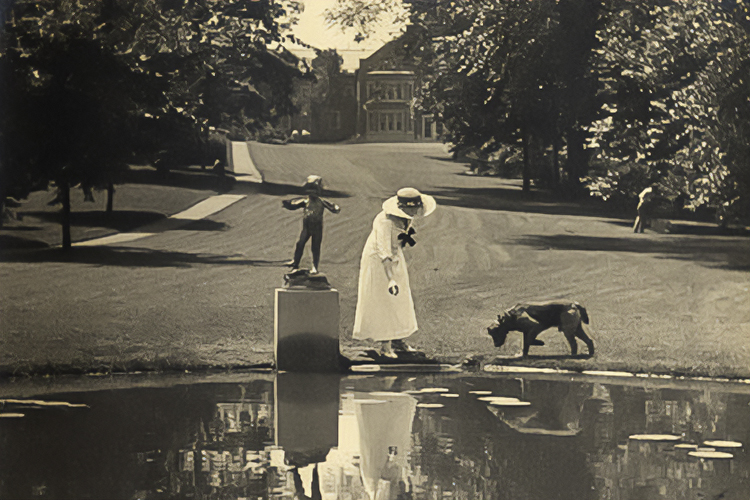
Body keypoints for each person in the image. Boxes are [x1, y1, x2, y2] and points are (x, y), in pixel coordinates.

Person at [353, 187, 437, 358]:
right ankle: (385, 346)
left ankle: (399, 339)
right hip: (379, 261)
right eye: (411, 209)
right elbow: (383, 250)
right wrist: (390, 279)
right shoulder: (385, 222)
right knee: (386, 299)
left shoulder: (406, 218)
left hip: (395, 255)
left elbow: (398, 241)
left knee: (401, 297)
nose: (414, 212)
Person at [283, 175, 341, 274]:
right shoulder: (306, 201)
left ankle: (314, 266)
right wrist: (288, 205)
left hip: (317, 227)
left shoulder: (321, 202)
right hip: (307, 226)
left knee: (315, 247)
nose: (312, 193)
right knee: (300, 244)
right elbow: (294, 205)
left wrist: (336, 208)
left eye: (314, 191)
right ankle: (295, 263)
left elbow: (333, 207)